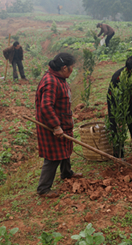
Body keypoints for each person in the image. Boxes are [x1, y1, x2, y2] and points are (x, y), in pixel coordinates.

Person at [35, 52, 82, 198]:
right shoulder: (51, 82)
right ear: (64, 67)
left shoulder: (58, 77)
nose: (72, 70)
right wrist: (56, 126)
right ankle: (43, 188)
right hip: (52, 125)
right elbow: (46, 107)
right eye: (71, 68)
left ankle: (66, 173)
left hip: (63, 122)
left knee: (65, 148)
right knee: (52, 157)